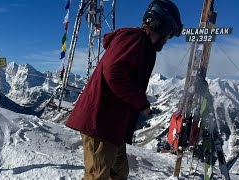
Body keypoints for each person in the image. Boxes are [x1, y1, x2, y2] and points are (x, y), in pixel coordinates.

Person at [65, 0, 183, 179]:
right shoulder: (135, 40)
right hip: (101, 122)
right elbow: (114, 72)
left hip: (112, 125)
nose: (167, 40)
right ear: (160, 27)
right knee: (98, 176)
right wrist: (141, 102)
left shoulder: (138, 42)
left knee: (119, 172)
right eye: (168, 34)